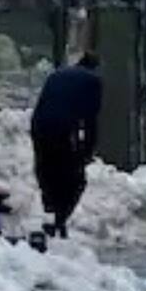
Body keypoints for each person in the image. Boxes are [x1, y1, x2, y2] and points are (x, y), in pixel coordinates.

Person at [31, 52, 102, 239]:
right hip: (61, 129)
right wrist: (87, 152)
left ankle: (50, 211)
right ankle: (59, 221)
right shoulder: (93, 80)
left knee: (47, 170)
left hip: (39, 125)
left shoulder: (57, 74)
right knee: (75, 178)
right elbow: (90, 120)